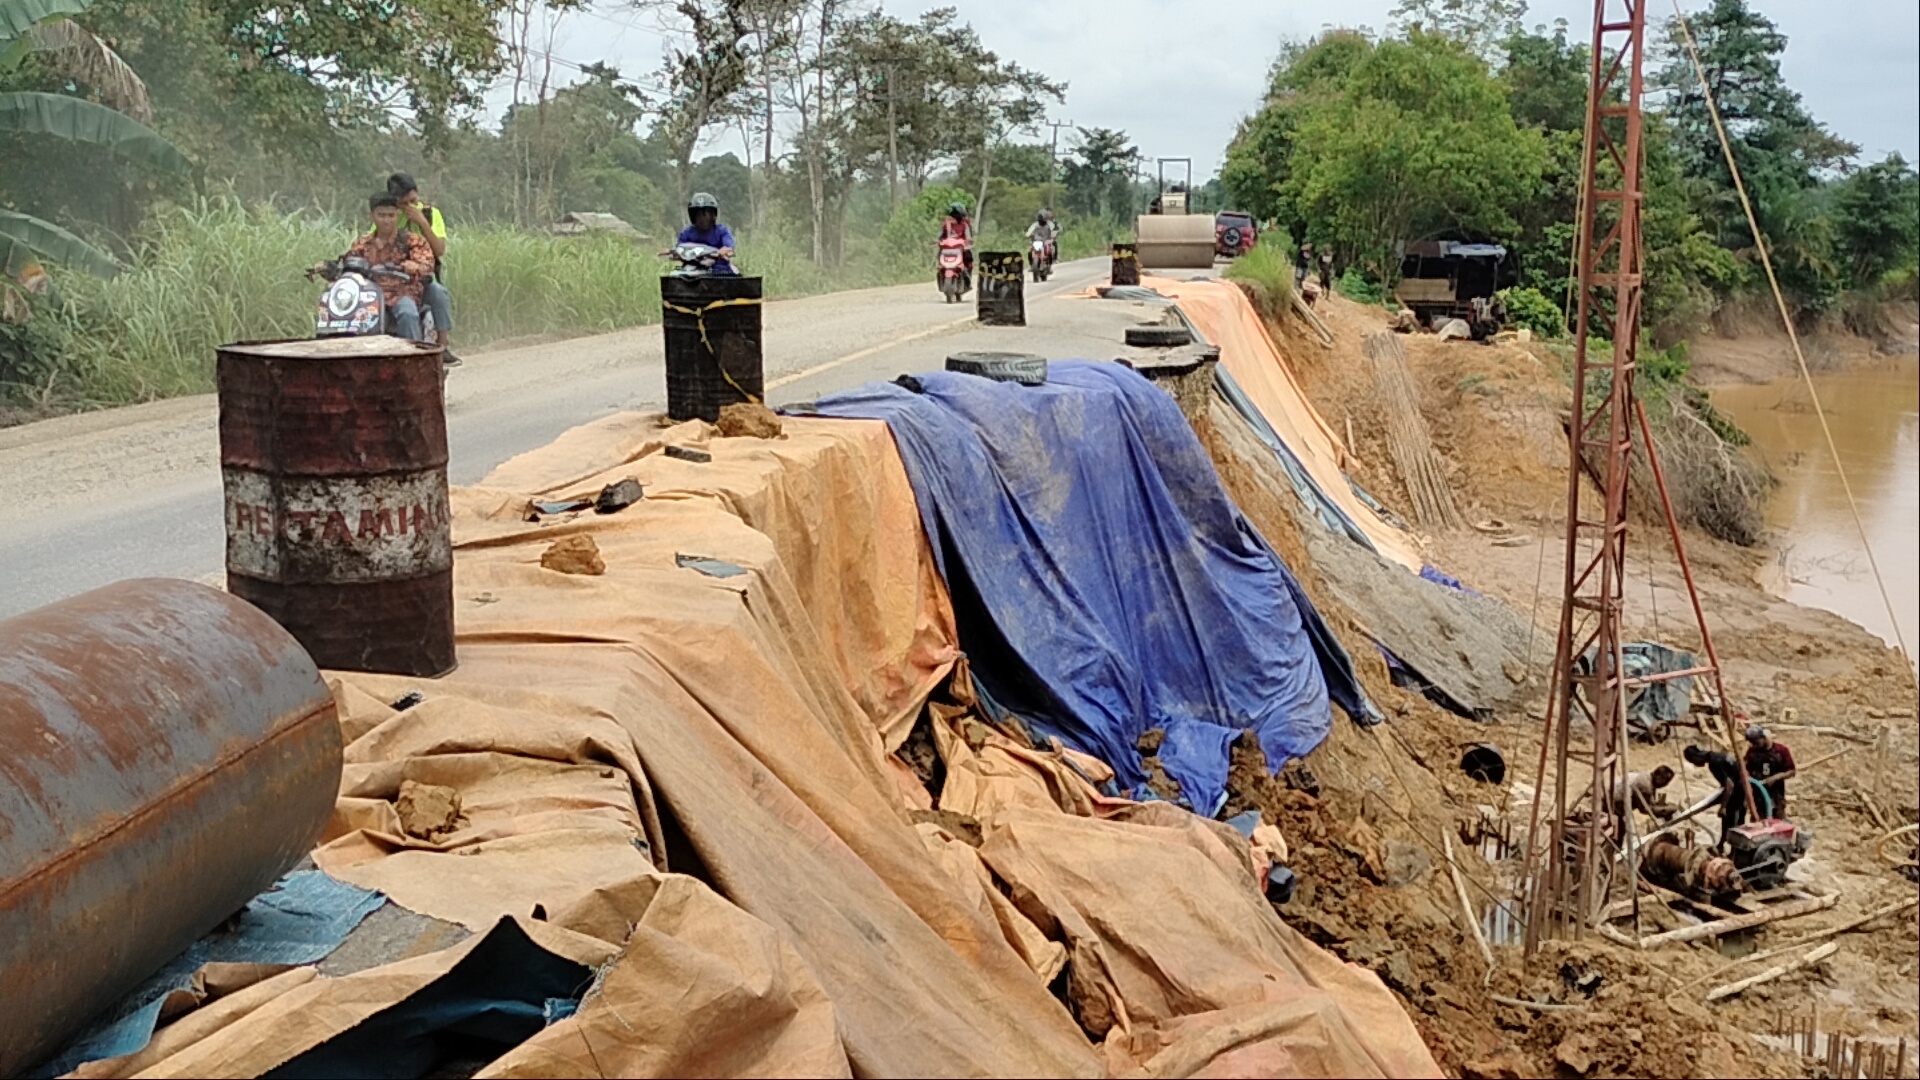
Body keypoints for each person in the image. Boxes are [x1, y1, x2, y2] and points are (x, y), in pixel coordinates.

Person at [382, 173, 459, 367]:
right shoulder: (390, 217)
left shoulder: (431, 214)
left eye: (413, 201)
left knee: (438, 293)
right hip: (394, 281)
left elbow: (439, 250)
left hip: (422, 278)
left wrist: (421, 222)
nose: (410, 207)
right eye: (404, 204)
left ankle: (443, 346)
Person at [348, 192, 436, 343]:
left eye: (391, 215)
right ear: (372, 216)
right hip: (367, 297)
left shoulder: (412, 241)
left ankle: (413, 360)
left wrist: (414, 266)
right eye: (381, 215)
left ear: (397, 215)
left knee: (408, 313)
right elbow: (349, 263)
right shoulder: (363, 243)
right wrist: (329, 268)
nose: (386, 220)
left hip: (401, 294)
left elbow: (427, 265)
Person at [1684, 743, 1750, 845]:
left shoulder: (1714, 762)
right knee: (1736, 822)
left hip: (1737, 793)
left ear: (1696, 757)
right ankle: (1724, 845)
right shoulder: (1718, 755)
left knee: (1732, 823)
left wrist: (1723, 806)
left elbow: (1729, 784)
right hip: (1742, 790)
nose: (1695, 764)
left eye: (1693, 761)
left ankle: (1730, 849)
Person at [673, 192, 738, 274]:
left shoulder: (722, 231)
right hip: (691, 269)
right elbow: (679, 250)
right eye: (699, 215)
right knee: (674, 275)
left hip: (719, 271)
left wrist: (723, 251)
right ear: (693, 216)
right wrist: (676, 254)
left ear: (713, 216)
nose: (702, 219)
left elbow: (729, 249)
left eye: (705, 214)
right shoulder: (686, 233)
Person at [1743, 725, 1796, 818]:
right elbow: (1745, 768)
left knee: (1778, 821)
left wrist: (1775, 778)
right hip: (1757, 794)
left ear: (1763, 738)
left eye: (1756, 742)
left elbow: (1791, 771)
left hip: (1776, 794)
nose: (1754, 745)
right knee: (1758, 821)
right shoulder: (1752, 751)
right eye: (1752, 743)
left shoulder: (1780, 751)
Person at [1610, 765, 1676, 823]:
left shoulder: (1647, 777)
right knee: (1620, 831)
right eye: (1666, 781)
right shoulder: (1645, 786)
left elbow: (1651, 802)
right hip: (1612, 806)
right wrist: (1665, 812)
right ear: (1659, 777)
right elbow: (1646, 809)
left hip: (1612, 799)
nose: (1666, 784)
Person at [939, 201, 974, 279]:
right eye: (953, 215)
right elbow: (941, 234)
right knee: (940, 253)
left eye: (956, 215)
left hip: (962, 246)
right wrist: (938, 240)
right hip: (948, 246)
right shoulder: (946, 223)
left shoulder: (965, 224)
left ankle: (967, 273)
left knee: (968, 256)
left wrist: (968, 241)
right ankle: (941, 270)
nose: (954, 217)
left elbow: (968, 235)